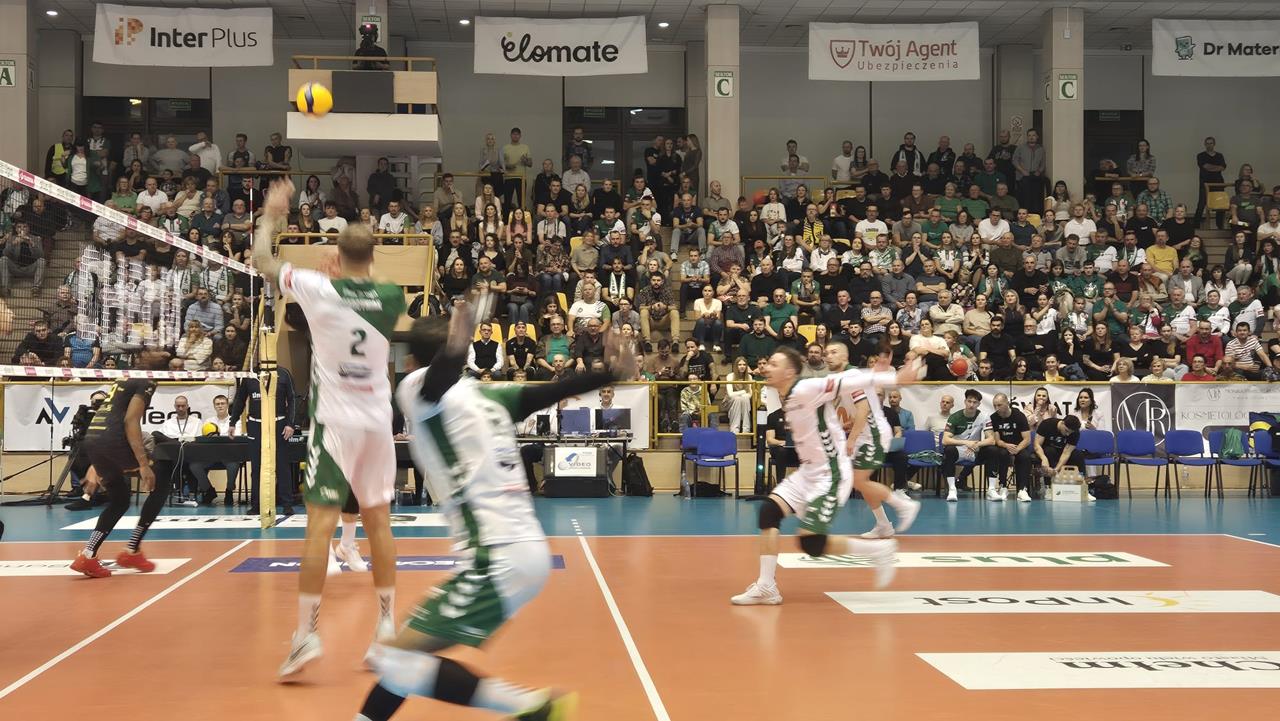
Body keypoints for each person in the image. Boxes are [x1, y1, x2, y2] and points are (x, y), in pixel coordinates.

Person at [356, 305, 635, 721]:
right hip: (517, 549)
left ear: (411, 361)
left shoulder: (415, 386)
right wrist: (608, 374)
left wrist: (455, 347)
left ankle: (529, 708)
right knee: (404, 658)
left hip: (496, 555)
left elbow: (435, 384)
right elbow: (545, 394)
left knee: (393, 659)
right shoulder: (486, 395)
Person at [253, 177, 407, 679]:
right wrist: (350, 267)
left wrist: (272, 214)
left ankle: (306, 636)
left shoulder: (318, 289)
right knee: (379, 524)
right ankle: (387, 629)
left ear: (336, 256)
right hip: (377, 424)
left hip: (334, 424)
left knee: (319, 528)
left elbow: (262, 260)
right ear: (373, 255)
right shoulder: (392, 295)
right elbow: (366, 280)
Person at [730, 347, 918, 607]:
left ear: (789, 372)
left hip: (830, 474)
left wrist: (894, 378)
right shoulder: (787, 396)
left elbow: (851, 379)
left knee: (812, 544)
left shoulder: (806, 388)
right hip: (808, 472)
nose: (766, 367)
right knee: (768, 512)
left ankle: (878, 550)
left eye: (773, 364)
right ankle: (766, 586)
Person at [68, 349, 173, 578]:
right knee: (162, 477)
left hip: (93, 439)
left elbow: (111, 414)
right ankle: (132, 549)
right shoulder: (147, 380)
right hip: (111, 440)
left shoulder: (126, 376)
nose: (156, 350)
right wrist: (143, 464)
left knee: (120, 499)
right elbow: (130, 420)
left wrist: (96, 463)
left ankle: (87, 555)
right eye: (155, 349)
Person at [824, 341, 921, 540]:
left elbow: (864, 408)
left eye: (834, 352)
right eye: (827, 353)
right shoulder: (842, 378)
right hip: (865, 433)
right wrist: (850, 425)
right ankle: (883, 525)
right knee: (860, 482)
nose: (829, 356)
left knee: (858, 480)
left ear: (845, 356)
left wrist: (851, 439)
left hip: (874, 435)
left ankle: (903, 504)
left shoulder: (851, 376)